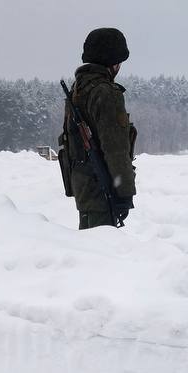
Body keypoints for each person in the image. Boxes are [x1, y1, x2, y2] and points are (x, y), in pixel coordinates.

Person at [63, 27, 137, 230]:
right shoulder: (106, 93)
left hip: (84, 187)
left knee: (89, 243)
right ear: (113, 62)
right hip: (103, 187)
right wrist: (124, 192)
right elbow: (115, 148)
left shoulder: (78, 89)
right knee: (103, 245)